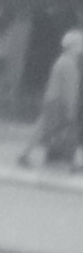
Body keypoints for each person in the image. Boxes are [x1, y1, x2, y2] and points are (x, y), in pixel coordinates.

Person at [27, 29, 82, 171]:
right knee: (60, 131)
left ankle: (27, 154)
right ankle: (65, 161)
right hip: (58, 103)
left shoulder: (61, 61)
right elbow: (70, 89)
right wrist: (71, 109)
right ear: (74, 46)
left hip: (51, 99)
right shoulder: (70, 65)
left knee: (43, 129)